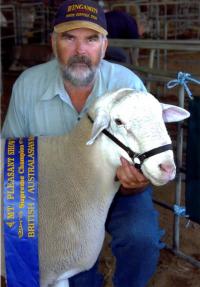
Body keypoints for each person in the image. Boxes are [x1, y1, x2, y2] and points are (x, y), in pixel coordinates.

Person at [2, 1, 164, 286]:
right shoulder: (28, 85)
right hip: (53, 195)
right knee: (74, 269)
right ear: (54, 43)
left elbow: (149, 150)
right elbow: (11, 153)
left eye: (91, 39)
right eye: (69, 38)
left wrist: (137, 181)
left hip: (117, 191)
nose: (80, 51)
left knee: (142, 239)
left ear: (104, 46)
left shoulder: (129, 86)